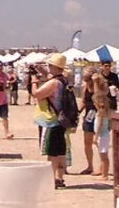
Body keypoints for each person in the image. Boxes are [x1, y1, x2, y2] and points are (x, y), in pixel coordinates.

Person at [33, 53, 70, 188]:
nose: (48, 68)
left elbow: (37, 94)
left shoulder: (54, 83)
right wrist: (40, 70)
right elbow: (49, 77)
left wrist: (33, 82)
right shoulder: (63, 80)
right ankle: (59, 178)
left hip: (51, 120)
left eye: (50, 66)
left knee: (52, 152)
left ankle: (51, 179)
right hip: (62, 119)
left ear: (54, 67)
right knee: (60, 150)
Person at [77, 71, 101, 175]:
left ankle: (102, 166)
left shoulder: (100, 85)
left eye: (88, 79)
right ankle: (90, 166)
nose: (87, 82)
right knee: (87, 142)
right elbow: (83, 101)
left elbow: (98, 98)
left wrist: (95, 83)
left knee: (99, 141)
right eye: (85, 79)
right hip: (88, 115)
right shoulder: (85, 87)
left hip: (99, 114)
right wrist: (78, 112)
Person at [93, 84, 112, 180]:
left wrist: (95, 137)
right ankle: (102, 171)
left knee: (103, 155)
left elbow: (100, 125)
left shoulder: (101, 112)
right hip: (105, 134)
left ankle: (105, 175)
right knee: (102, 154)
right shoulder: (107, 111)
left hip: (102, 135)